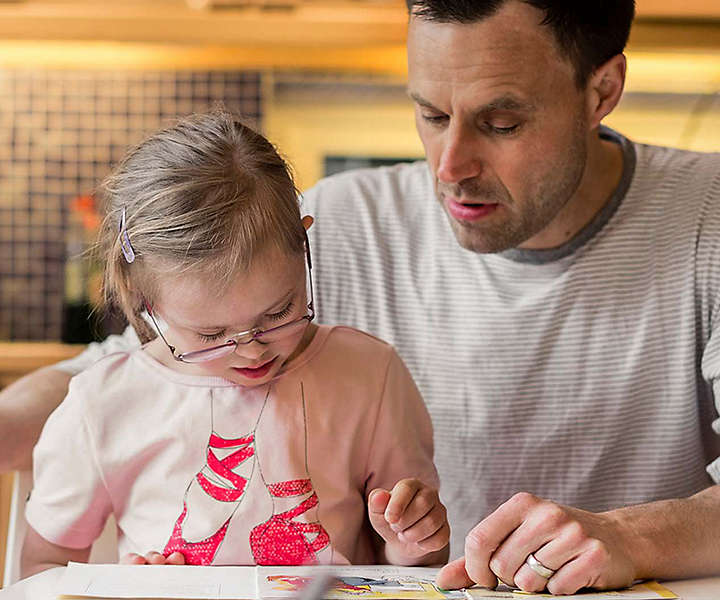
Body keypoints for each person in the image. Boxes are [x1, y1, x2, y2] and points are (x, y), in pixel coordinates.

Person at [2, 0, 719, 594]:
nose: (450, 167)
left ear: (602, 90)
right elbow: (141, 365)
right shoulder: (341, 222)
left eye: (501, 123)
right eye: (431, 115)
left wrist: (631, 535)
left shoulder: (707, 219)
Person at [19, 111, 449, 578]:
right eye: (209, 335)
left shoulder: (369, 375)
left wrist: (413, 543)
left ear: (304, 246)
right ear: (145, 304)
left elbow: (413, 567)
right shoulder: (102, 404)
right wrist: (124, 588)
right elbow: (43, 569)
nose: (251, 350)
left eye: (278, 313)